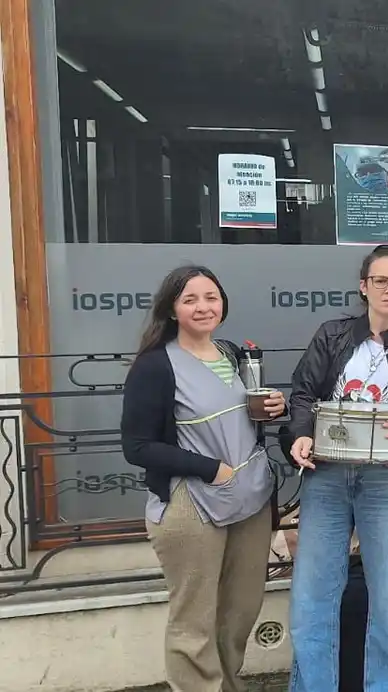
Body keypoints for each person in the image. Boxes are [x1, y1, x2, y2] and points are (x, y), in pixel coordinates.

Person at [284, 244, 388, 691]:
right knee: (312, 597)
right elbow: (302, 393)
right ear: (364, 286)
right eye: (381, 280)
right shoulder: (333, 334)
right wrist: (301, 435)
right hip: (327, 476)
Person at [121, 265, 284, 692]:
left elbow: (240, 422)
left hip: (248, 501)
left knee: (239, 613)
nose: (203, 307)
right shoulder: (155, 366)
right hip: (190, 505)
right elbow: (136, 447)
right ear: (172, 309)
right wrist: (210, 469)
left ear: (223, 304)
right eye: (190, 299)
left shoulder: (231, 354)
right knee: (194, 621)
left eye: (211, 297)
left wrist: (270, 409)